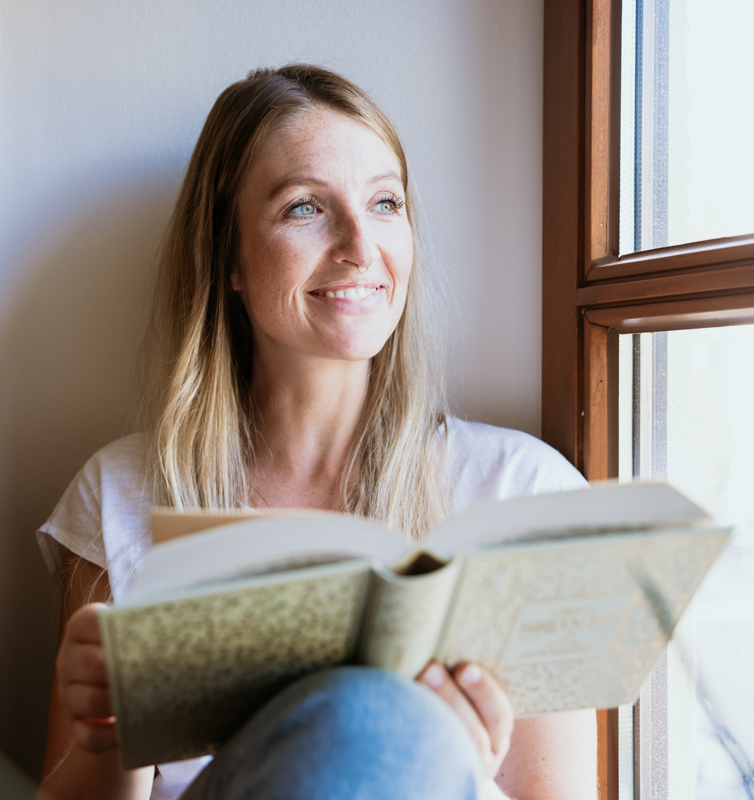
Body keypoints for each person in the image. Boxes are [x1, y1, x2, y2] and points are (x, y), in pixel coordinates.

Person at [33, 65, 597, 800]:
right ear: (228, 255)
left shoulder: (522, 496)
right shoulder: (122, 496)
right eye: (305, 208)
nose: (360, 245)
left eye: (385, 203)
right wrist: (114, 739)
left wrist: (442, 764)